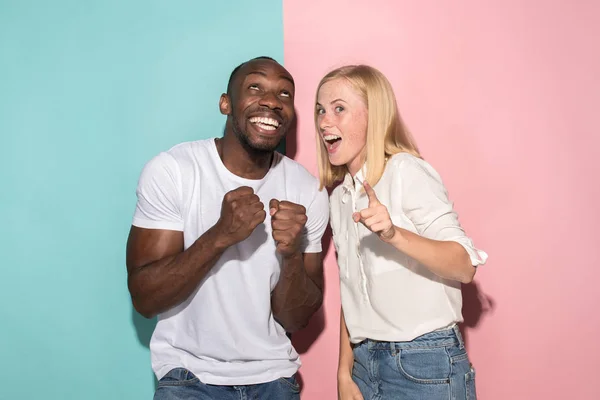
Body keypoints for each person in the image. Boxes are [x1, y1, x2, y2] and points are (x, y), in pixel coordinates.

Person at [126, 56, 329, 400]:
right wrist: (220, 235)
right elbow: (145, 298)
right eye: (255, 87)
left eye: (284, 94)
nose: (271, 101)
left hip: (274, 378)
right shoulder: (174, 171)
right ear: (226, 103)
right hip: (189, 376)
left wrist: (292, 254)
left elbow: (295, 319)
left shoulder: (307, 190)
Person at [315, 65, 488, 400]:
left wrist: (394, 235)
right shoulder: (339, 197)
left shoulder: (407, 172)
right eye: (320, 110)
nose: (324, 121)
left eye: (339, 108)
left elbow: (464, 266)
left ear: (374, 115)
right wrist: (343, 372)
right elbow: (353, 292)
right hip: (364, 364)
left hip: (424, 362)